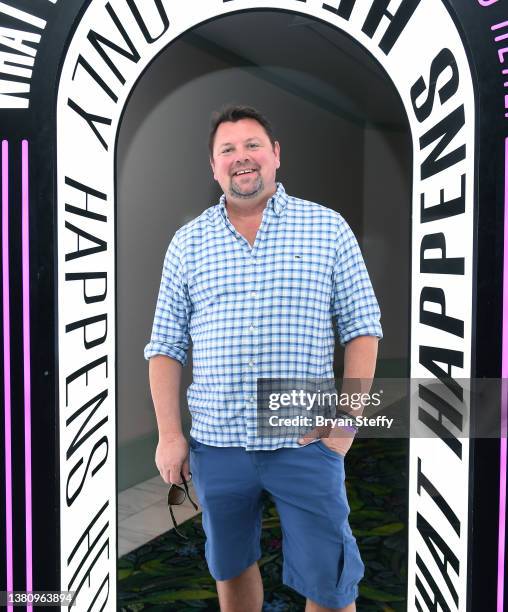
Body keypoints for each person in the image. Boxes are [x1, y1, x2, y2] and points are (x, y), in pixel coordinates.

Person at [144, 105, 382, 612]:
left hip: (305, 440)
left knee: (330, 579)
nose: (241, 157)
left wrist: (348, 420)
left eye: (252, 145)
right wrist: (169, 435)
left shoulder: (327, 228)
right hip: (218, 447)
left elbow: (362, 328)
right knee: (230, 566)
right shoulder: (188, 244)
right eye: (227, 150)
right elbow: (165, 347)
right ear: (213, 167)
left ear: (275, 155)